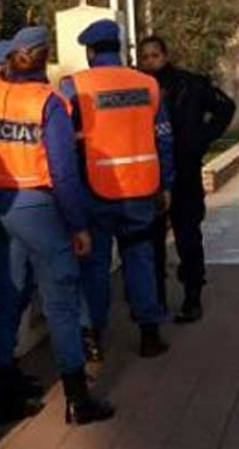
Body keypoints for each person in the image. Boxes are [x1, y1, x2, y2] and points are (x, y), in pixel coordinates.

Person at [0, 28, 115, 426]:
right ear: (44, 58)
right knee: (61, 299)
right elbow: (63, 172)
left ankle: (0, 393)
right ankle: (77, 399)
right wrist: (78, 225)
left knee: (3, 295)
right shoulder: (47, 102)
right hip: (36, 206)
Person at [59, 19, 173, 362]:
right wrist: (166, 183)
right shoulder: (148, 84)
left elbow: (62, 140)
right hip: (140, 189)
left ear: (91, 52)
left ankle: (94, 338)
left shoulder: (74, 86)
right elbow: (164, 138)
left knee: (95, 266)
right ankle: (149, 334)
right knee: (140, 259)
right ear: (119, 48)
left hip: (94, 191)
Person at [137, 35, 235, 322]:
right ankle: (156, 300)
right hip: (149, 174)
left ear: (165, 55)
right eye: (145, 56)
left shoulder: (190, 84)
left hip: (185, 171)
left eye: (155, 55)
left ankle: (193, 296)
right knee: (152, 242)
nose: (150, 61)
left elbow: (225, 108)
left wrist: (200, 139)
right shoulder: (137, 88)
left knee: (188, 237)